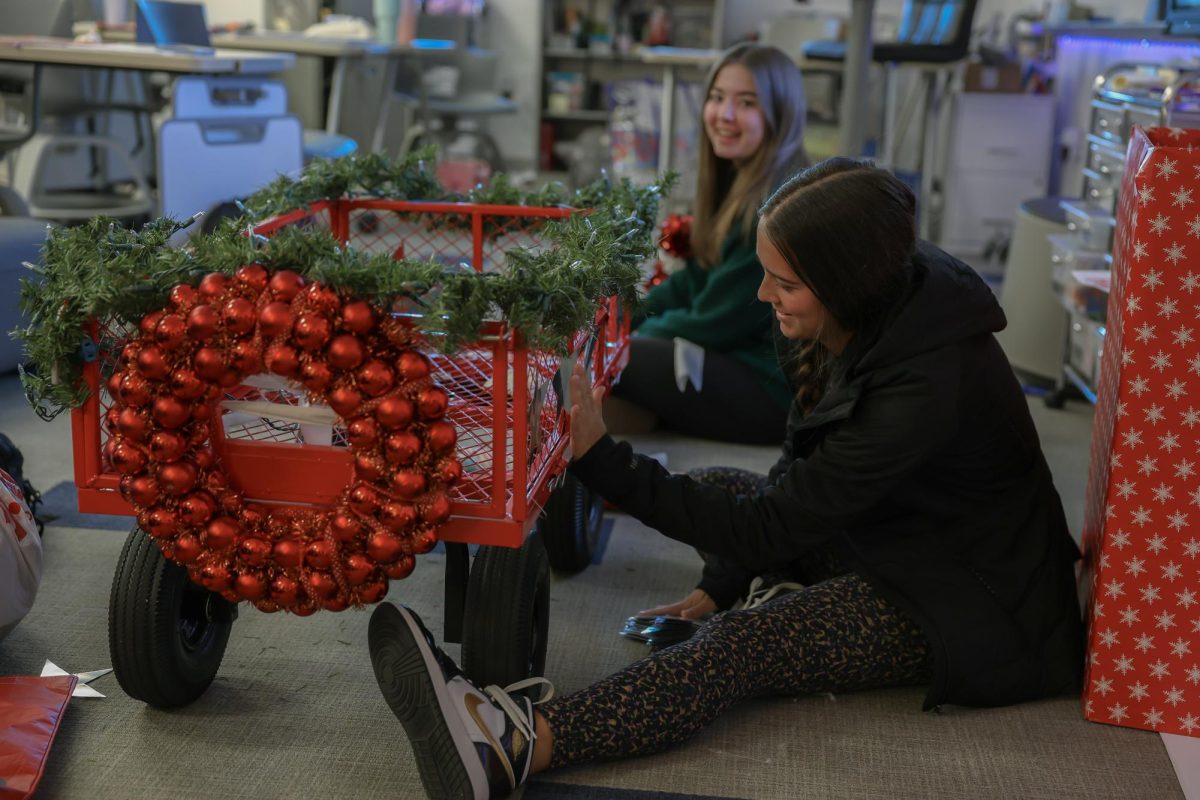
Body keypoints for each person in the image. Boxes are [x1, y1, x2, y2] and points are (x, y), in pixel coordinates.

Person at [366, 158, 1085, 800]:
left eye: (785, 281)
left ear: (845, 280)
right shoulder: (864, 298)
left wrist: (601, 457)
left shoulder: (924, 382)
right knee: (717, 486)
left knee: (743, 646)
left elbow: (776, 522)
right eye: (766, 271)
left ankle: (513, 744)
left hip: (961, 598)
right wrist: (724, 582)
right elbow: (799, 466)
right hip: (891, 530)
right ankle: (771, 590)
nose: (765, 295)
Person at [606, 42, 809, 445]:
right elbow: (694, 281)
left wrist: (623, 338)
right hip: (731, 360)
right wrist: (625, 315)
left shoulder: (779, 203)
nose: (725, 114)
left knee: (609, 359)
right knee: (613, 355)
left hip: (769, 391)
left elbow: (712, 323)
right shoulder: (740, 180)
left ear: (780, 114)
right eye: (717, 98)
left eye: (747, 102)